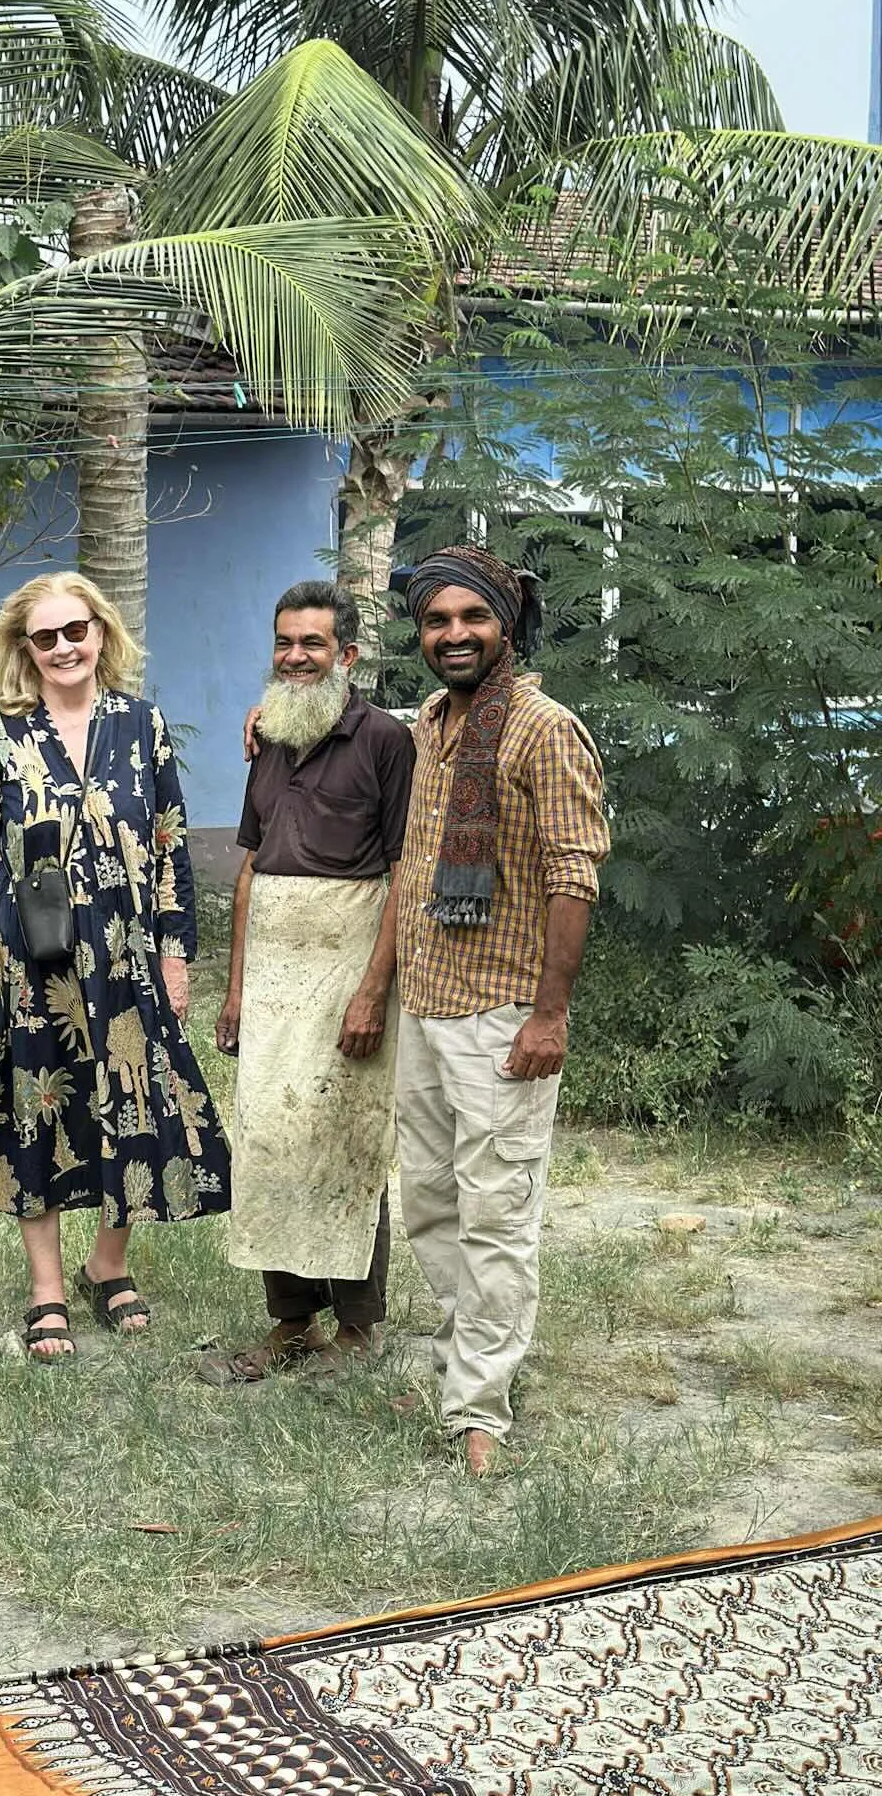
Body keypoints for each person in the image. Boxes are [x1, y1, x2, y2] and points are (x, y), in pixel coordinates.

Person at [0, 573, 229, 1361]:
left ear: (101, 633)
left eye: (75, 630)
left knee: (131, 1102)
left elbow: (169, 845)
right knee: (39, 1109)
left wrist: (174, 952)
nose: (63, 647)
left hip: (127, 956)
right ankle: (47, 1289)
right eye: (45, 637)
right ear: (23, 649)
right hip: (31, 967)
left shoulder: (141, 725)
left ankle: (111, 1263)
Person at [393, 544, 610, 1476]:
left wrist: (548, 1017)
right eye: (438, 621)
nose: (455, 635)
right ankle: (466, 1356)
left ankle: (480, 1406)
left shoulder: (541, 730)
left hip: (504, 1016)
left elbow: (574, 875)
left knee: (498, 1215)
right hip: (426, 1010)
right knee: (432, 1208)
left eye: (472, 618)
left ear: (507, 624)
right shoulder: (429, 727)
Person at [203, 580, 414, 1386]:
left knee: (348, 1144)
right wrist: (235, 990)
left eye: (313, 645)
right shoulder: (271, 740)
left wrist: (372, 991)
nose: (295, 657)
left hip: (346, 974)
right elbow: (252, 868)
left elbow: (404, 874)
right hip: (273, 979)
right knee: (267, 1143)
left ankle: (359, 1329)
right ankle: (292, 1322)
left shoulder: (386, 740)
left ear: (348, 655)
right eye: (284, 643)